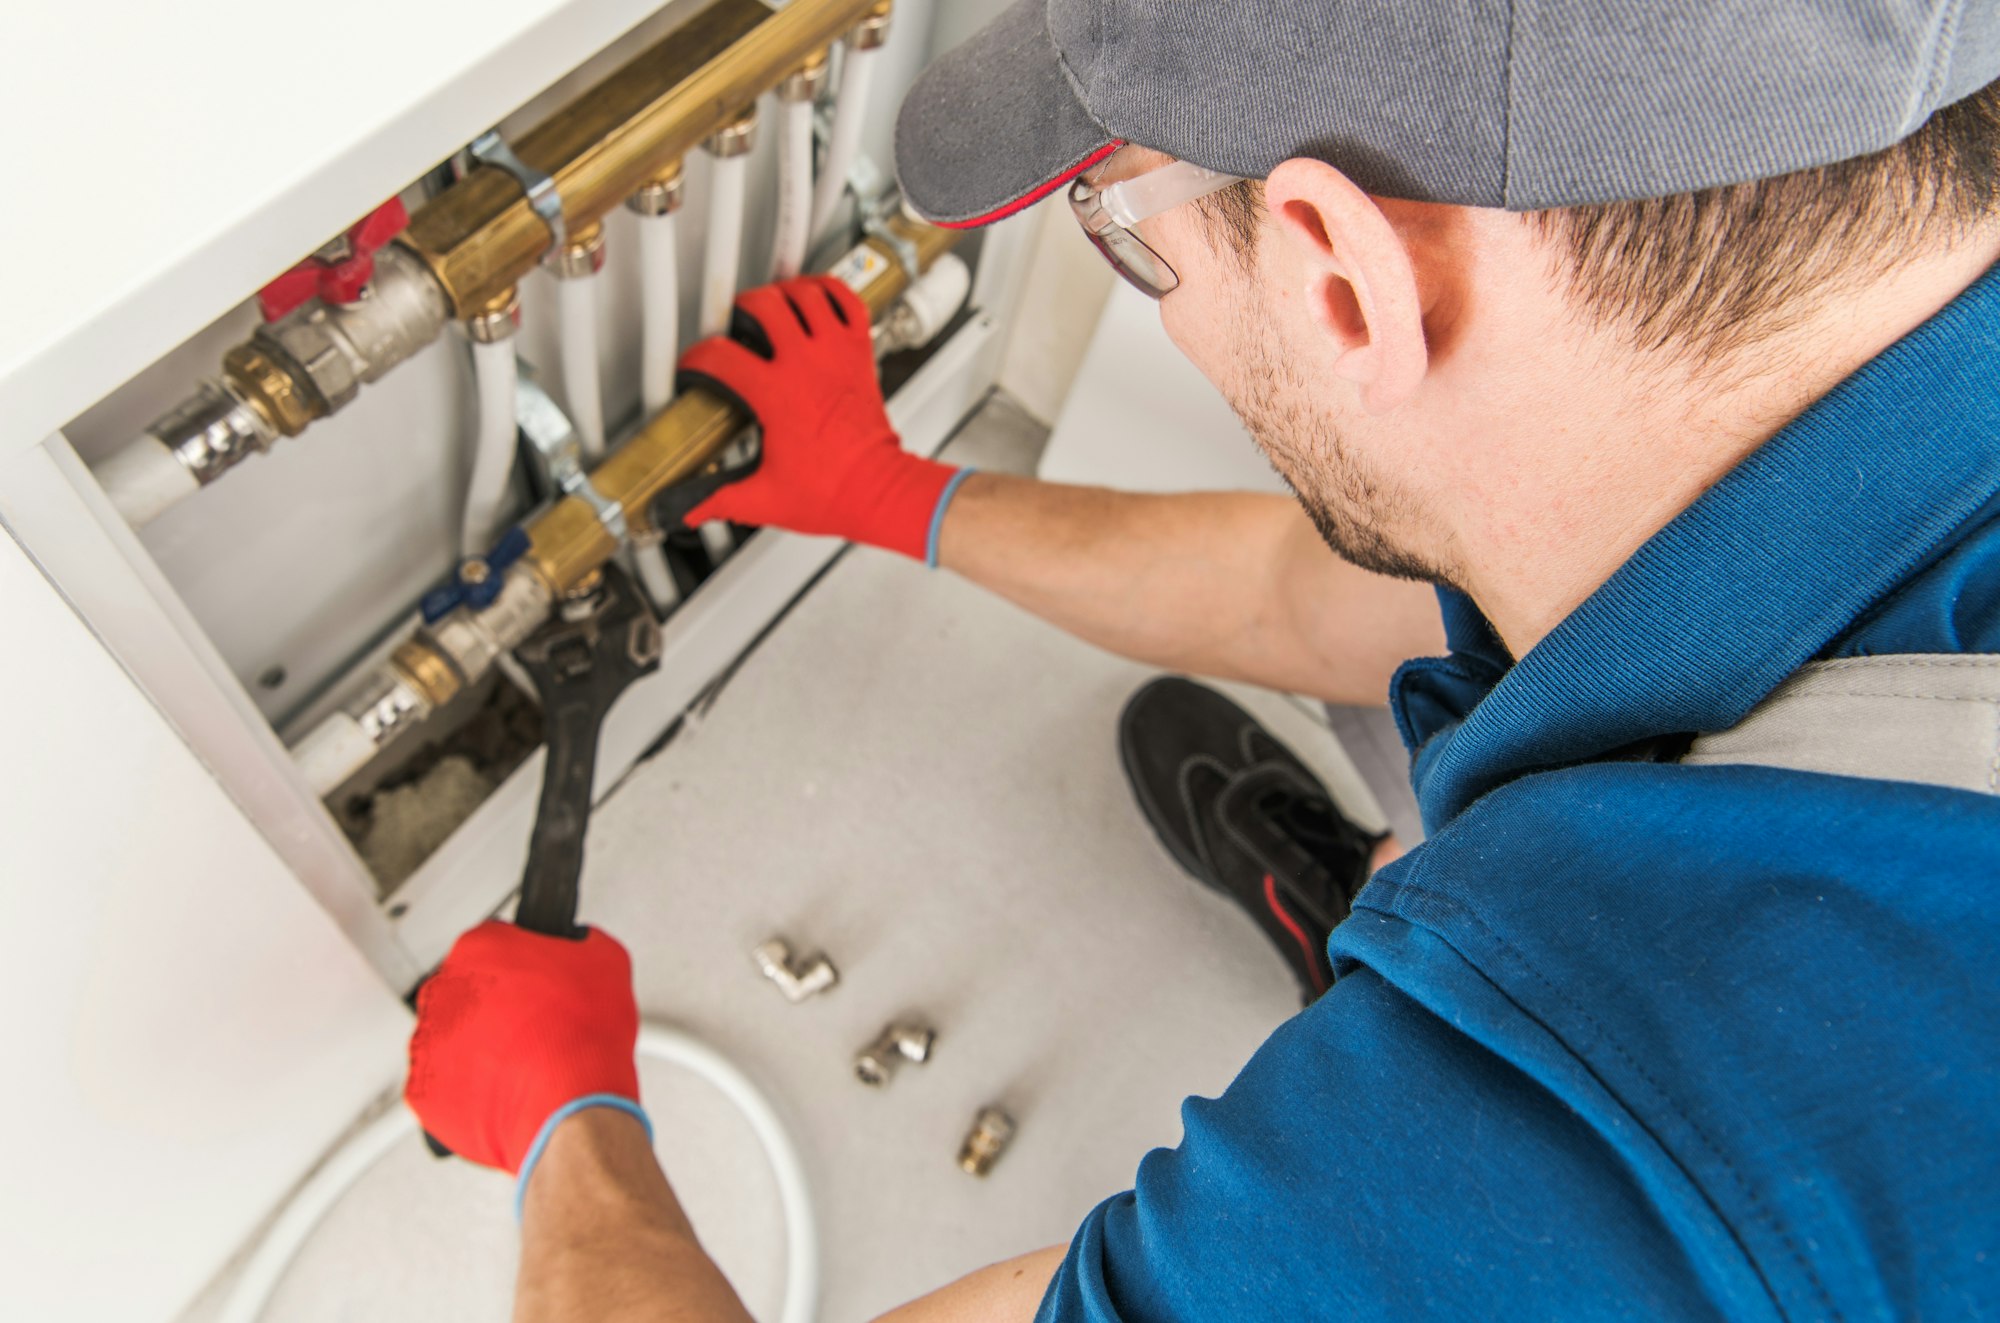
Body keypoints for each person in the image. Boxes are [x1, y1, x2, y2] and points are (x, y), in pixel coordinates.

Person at [406, 0, 2000, 1317]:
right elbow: (1304, 604)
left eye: (1124, 227)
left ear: (1344, 278)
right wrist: (895, 494)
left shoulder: (1585, 1180)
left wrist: (569, 1130)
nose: (1144, 279)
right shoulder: (1831, 339)